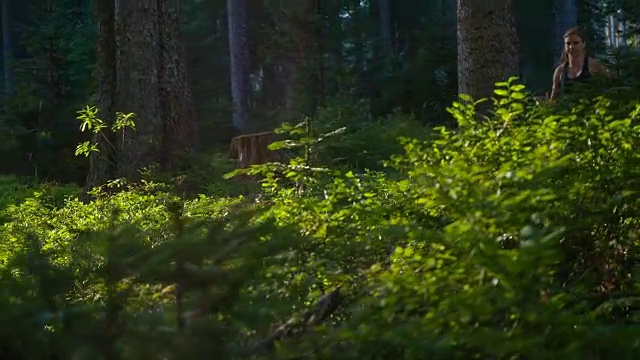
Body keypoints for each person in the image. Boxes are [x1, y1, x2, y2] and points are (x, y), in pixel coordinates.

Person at [549, 26, 608, 100]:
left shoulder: (593, 65)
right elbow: (554, 98)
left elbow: (607, 87)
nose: (571, 47)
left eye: (575, 43)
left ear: (584, 44)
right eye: (568, 43)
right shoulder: (560, 71)